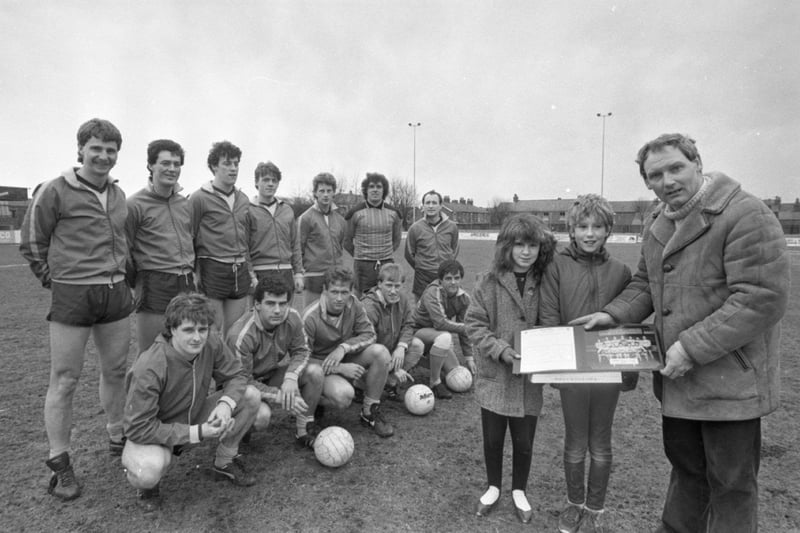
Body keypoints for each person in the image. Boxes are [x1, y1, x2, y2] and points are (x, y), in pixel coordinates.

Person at [572, 133, 789, 533]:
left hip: (730, 385)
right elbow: (644, 283)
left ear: (698, 163)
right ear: (647, 183)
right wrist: (611, 314)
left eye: (676, 168)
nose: (667, 181)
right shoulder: (657, 220)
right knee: (687, 474)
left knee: (731, 486)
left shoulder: (746, 214)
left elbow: (761, 298)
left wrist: (690, 347)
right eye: (656, 175)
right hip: (678, 383)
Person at [20, 118, 133, 501]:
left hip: (115, 294)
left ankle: (117, 435)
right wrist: (55, 279)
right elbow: (32, 242)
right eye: (96, 148)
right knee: (65, 379)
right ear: (81, 149)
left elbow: (124, 241)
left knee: (116, 370)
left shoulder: (118, 195)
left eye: (110, 150)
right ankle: (60, 463)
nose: (103, 156)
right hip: (73, 294)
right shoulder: (55, 189)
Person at [538, 195, 633, 533]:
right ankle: (574, 504)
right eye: (583, 226)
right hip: (573, 370)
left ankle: (595, 509)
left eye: (597, 227)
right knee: (576, 442)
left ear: (609, 230)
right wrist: (555, 366)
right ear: (572, 230)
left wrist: (629, 372)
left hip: (607, 371)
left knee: (601, 443)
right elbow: (549, 317)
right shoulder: (556, 267)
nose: (590, 233)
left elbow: (629, 325)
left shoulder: (621, 271)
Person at [122, 293, 261, 512]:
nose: (197, 337)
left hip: (194, 415)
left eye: (202, 329)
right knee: (148, 471)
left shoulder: (211, 342)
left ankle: (224, 462)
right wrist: (198, 432)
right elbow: (138, 427)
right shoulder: (150, 365)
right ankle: (148, 487)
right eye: (188, 330)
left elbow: (237, 374)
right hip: (155, 432)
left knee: (250, 396)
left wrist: (225, 404)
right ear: (172, 329)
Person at [465, 214, 557, 524]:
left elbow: (552, 323)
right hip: (495, 375)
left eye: (533, 245)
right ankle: (493, 486)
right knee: (492, 438)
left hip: (528, 380)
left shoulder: (546, 281)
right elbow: (474, 325)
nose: (526, 252)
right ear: (507, 246)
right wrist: (501, 350)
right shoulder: (486, 281)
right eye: (519, 244)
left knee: (524, 440)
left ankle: (519, 490)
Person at [227, 275, 324, 449]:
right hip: (240, 387)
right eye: (270, 303)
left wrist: (291, 377)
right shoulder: (240, 336)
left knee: (314, 372)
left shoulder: (292, 317)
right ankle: (236, 437)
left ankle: (304, 430)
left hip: (270, 374)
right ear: (257, 304)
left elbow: (302, 350)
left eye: (283, 303)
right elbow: (242, 381)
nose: (278, 310)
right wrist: (280, 396)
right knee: (262, 416)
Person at [302, 267, 395, 437]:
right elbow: (300, 361)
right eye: (334, 292)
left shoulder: (354, 304)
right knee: (344, 396)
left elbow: (369, 334)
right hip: (319, 368)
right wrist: (339, 369)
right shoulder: (310, 317)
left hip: (343, 356)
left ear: (351, 291)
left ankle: (369, 412)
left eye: (344, 292)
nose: (339, 298)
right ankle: (310, 403)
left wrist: (343, 348)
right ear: (324, 291)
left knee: (381, 353)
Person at [126, 139, 195, 353]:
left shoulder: (184, 203)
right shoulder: (134, 204)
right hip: (154, 283)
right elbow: (125, 250)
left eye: (176, 164)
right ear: (150, 165)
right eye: (165, 163)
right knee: (150, 354)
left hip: (186, 282)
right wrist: (138, 283)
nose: (172, 169)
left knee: (183, 350)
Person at [189, 141, 250, 335]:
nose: (233, 168)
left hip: (239, 269)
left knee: (235, 332)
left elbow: (245, 237)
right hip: (213, 269)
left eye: (236, 164)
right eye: (227, 163)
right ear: (214, 166)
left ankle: (231, 366)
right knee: (211, 331)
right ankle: (207, 366)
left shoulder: (243, 199)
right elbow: (189, 236)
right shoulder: (199, 198)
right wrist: (194, 272)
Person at [414, 259, 477, 399]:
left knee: (455, 371)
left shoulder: (464, 299)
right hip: (416, 333)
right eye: (448, 278)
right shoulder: (432, 291)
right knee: (445, 337)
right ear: (440, 280)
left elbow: (463, 331)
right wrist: (467, 327)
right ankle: (434, 382)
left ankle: (424, 360)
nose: (453, 282)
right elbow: (440, 323)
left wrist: (469, 358)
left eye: (457, 278)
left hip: (438, 336)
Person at [360, 263, 424, 399]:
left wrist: (401, 347)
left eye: (397, 286)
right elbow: (367, 344)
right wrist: (393, 366)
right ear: (379, 284)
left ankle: (389, 382)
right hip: (369, 356)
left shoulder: (403, 299)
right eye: (389, 285)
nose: (393, 291)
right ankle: (360, 385)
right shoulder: (369, 307)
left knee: (417, 345)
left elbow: (409, 324)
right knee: (377, 355)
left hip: (389, 350)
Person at [246, 161, 304, 294]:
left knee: (285, 313)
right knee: (261, 314)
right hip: (261, 273)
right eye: (266, 180)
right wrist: (251, 276)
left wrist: (298, 273)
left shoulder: (287, 209)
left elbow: (295, 244)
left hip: (286, 272)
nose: (271, 184)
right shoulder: (248, 210)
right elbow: (244, 248)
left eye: (274, 180)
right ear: (256, 182)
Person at [343, 173, 402, 295]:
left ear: (384, 190)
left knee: (387, 296)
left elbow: (396, 240)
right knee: (363, 299)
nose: (375, 190)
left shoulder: (394, 213)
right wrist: (362, 255)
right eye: (371, 187)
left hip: (387, 262)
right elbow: (346, 241)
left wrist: (384, 253)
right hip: (363, 265)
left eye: (379, 187)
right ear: (366, 190)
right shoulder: (355, 213)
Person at [298, 172, 347, 307]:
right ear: (315, 193)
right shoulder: (306, 218)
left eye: (329, 191)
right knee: (311, 315)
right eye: (322, 191)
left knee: (333, 315)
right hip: (313, 276)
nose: (325, 194)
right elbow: (298, 248)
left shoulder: (340, 220)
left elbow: (340, 246)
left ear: (333, 193)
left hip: (335, 276)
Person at [404, 189, 460, 298]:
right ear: (423, 206)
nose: (430, 206)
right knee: (422, 312)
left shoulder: (452, 227)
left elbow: (455, 249)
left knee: (444, 311)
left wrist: (447, 265)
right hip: (423, 277)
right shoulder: (415, 228)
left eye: (434, 203)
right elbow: (409, 254)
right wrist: (421, 266)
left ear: (440, 206)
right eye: (427, 203)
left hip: (445, 275)